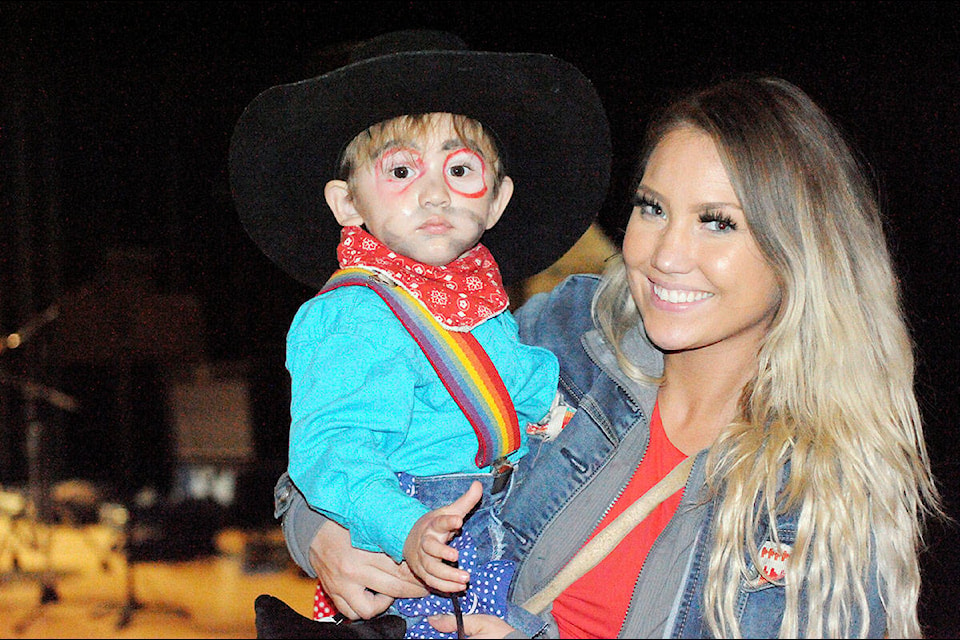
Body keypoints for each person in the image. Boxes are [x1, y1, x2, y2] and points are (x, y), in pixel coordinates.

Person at [273, 75, 943, 639]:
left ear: (801, 250)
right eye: (653, 209)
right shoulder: (566, 338)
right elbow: (342, 436)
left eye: (718, 221)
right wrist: (323, 536)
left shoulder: (824, 486)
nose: (663, 254)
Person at [229, 30, 611, 639]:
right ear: (347, 204)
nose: (434, 192)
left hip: (498, 523)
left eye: (460, 169)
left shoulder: (477, 297)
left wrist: (554, 411)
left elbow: (514, 376)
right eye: (402, 169)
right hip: (408, 542)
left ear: (497, 201)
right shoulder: (350, 315)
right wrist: (404, 525)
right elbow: (330, 452)